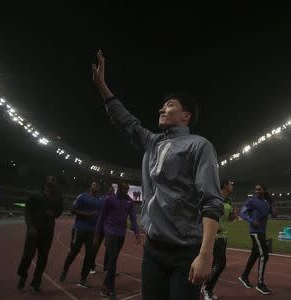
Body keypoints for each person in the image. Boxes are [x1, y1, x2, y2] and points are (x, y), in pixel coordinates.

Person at [92, 50, 224, 300]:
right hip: (153, 250)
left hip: (184, 252)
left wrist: (205, 254)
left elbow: (211, 201)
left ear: (186, 116)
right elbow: (127, 122)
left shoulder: (199, 146)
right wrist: (102, 87)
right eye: (163, 105)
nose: (162, 109)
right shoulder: (152, 142)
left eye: (170, 105)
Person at [94, 182, 140, 299]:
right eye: (124, 188)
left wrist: (136, 232)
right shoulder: (109, 200)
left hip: (121, 233)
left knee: (113, 259)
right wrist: (97, 234)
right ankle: (110, 289)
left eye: (127, 189)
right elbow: (101, 217)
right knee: (113, 259)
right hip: (110, 232)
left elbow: (133, 218)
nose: (126, 190)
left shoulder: (129, 201)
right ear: (118, 188)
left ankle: (105, 285)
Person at [17, 176, 63, 293]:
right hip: (34, 230)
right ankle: (23, 276)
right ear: (45, 181)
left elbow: (60, 211)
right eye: (50, 179)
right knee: (27, 256)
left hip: (48, 231)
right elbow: (27, 212)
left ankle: (36, 281)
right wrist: (30, 227)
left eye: (54, 180)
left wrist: (54, 214)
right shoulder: (35, 195)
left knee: (43, 258)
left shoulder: (58, 197)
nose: (52, 182)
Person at [60, 181, 102, 285]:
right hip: (80, 229)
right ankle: (65, 270)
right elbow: (72, 210)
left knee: (89, 255)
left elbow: (101, 216)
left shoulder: (100, 201)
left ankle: (83, 278)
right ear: (90, 187)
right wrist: (87, 214)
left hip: (92, 231)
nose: (95, 186)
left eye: (97, 186)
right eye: (94, 185)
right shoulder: (83, 196)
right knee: (74, 252)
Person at [238, 184, 274, 295]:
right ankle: (260, 283)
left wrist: (272, 204)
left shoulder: (267, 202)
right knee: (264, 255)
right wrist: (251, 220)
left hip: (262, 232)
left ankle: (244, 276)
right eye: (255, 189)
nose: (257, 191)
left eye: (259, 189)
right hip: (255, 231)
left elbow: (273, 214)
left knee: (255, 255)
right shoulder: (251, 201)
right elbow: (242, 213)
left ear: (264, 190)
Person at [201, 180, 234, 300]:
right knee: (220, 262)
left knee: (219, 262)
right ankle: (206, 288)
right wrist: (215, 225)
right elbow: (205, 212)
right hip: (215, 235)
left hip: (224, 235)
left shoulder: (229, 200)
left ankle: (206, 288)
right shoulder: (215, 197)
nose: (232, 186)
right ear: (225, 185)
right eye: (231, 184)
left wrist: (233, 216)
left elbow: (228, 218)